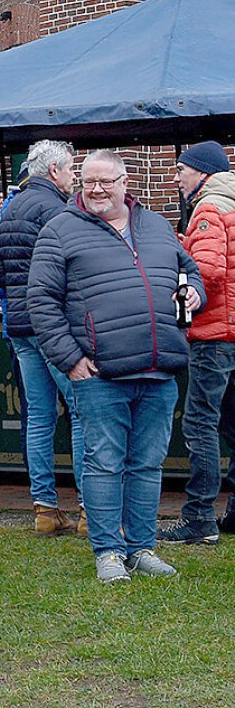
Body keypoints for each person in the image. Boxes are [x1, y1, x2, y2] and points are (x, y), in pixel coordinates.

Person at [28, 150, 204, 582]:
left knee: (147, 464)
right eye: (89, 181)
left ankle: (141, 548)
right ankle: (108, 551)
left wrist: (194, 293)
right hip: (100, 375)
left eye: (106, 181)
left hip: (159, 370)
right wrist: (70, 359)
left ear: (126, 183)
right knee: (104, 463)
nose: (97, 189)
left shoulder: (157, 226)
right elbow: (41, 302)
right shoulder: (60, 230)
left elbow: (191, 272)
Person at [0, 140, 86, 534]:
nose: (74, 177)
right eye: (70, 170)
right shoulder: (56, 210)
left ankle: (45, 508)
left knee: (40, 417)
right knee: (81, 412)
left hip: (20, 326)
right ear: (54, 172)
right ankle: (88, 508)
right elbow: (72, 272)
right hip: (52, 326)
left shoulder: (9, 210)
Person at [162, 141, 235, 544]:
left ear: (202, 172)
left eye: (181, 170)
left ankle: (200, 517)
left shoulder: (208, 208)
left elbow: (206, 271)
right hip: (233, 331)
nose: (176, 178)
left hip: (213, 336)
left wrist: (176, 268)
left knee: (200, 424)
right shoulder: (231, 202)